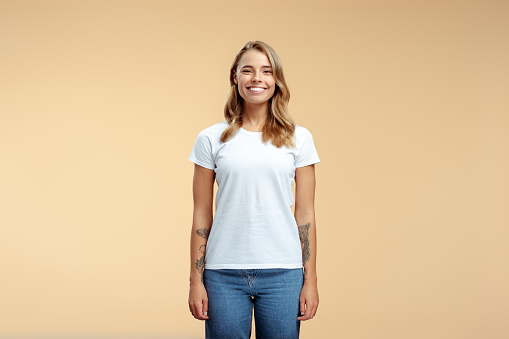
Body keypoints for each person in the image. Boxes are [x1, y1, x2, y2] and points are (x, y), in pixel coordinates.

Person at [187, 40, 320, 339]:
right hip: (222, 273)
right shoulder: (210, 139)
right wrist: (196, 280)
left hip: (284, 271)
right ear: (235, 77)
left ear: (276, 80)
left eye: (266, 71)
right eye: (248, 70)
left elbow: (306, 212)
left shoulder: (299, 138)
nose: (257, 78)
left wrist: (309, 280)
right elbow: (201, 213)